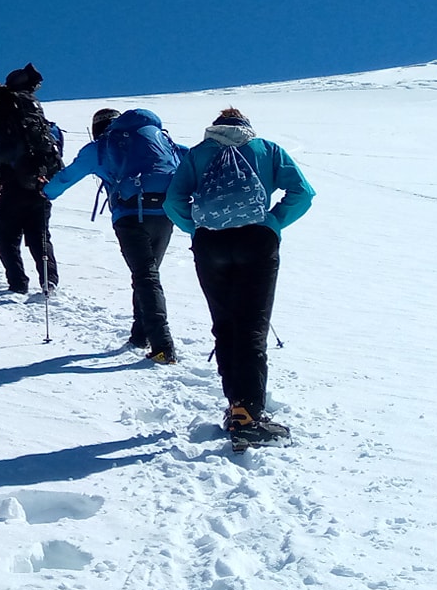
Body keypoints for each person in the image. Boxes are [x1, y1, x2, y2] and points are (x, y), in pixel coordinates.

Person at [164, 107, 316, 448]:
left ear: (215, 127)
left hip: (210, 246)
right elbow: (302, 193)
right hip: (256, 241)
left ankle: (236, 407)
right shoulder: (266, 149)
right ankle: (247, 415)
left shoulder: (198, 154)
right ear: (246, 126)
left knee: (225, 324)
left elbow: (173, 201)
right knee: (252, 326)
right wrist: (273, 223)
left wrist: (200, 228)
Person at [48, 107, 184, 361]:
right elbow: (188, 160)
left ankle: (162, 345)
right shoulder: (159, 139)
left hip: (130, 214)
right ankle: (140, 334)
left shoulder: (101, 147)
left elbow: (66, 177)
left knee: (145, 275)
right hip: (166, 211)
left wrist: (45, 192)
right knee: (148, 273)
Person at [0, 65, 63, 296]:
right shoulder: (43, 127)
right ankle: (49, 280)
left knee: (6, 239)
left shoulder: (0, 137)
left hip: (11, 193)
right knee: (40, 238)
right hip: (40, 190)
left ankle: (18, 283)